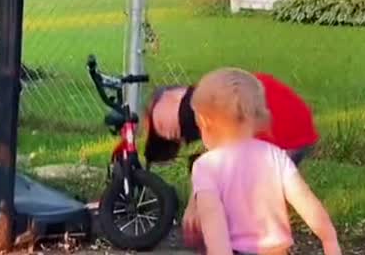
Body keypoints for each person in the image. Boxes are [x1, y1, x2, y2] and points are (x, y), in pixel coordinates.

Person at [142, 72, 321, 246]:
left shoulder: (206, 103)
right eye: (166, 135)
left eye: (161, 124)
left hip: (280, 130)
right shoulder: (206, 106)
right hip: (284, 129)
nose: (166, 133)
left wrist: (197, 206)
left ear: (170, 96)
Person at [188, 67, 341, 255]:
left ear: (204, 122)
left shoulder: (206, 166)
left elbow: (213, 223)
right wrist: (329, 239)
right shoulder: (275, 155)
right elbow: (306, 202)